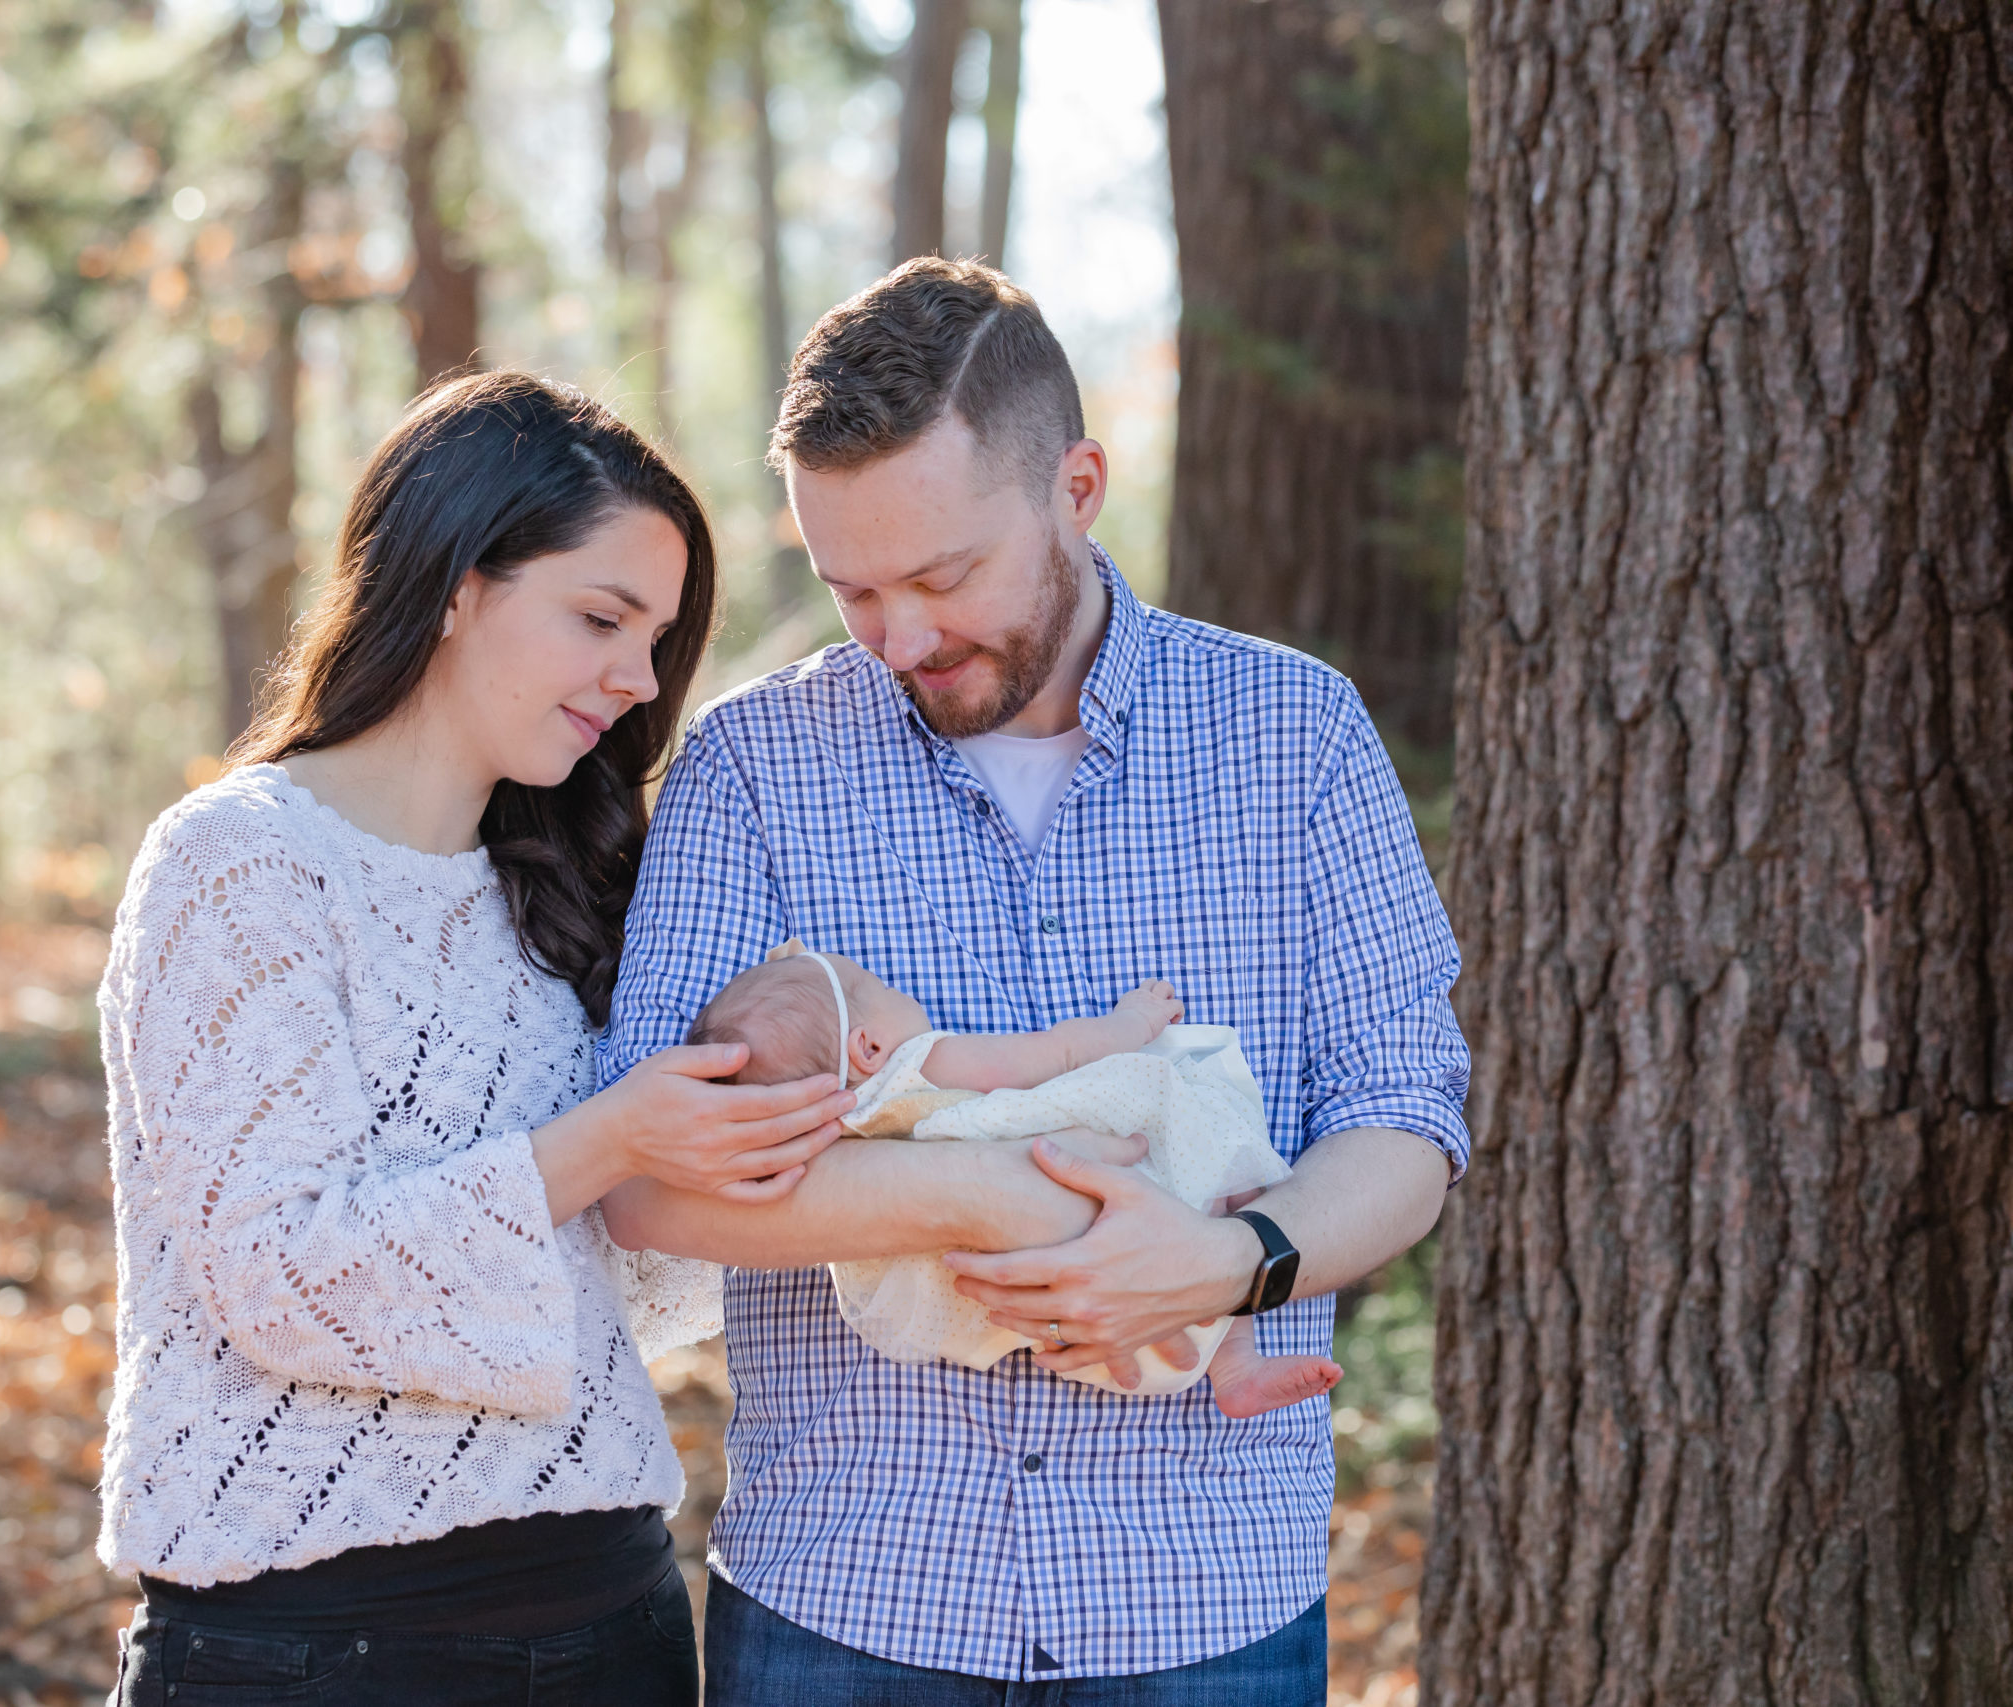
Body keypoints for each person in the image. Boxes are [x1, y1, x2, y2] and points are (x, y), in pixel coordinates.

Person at [599, 259, 1471, 1703]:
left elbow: (1406, 1119)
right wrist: (988, 1196)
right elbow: (651, 1180)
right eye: (854, 588)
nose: (903, 638)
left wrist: (1227, 1258)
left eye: (944, 575)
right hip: (848, 1605)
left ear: (1078, 485)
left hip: (1205, 1606)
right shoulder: (756, 767)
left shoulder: (1296, 734)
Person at [95, 372, 881, 1707]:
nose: (637, 679)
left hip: (607, 1625)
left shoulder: (574, 878)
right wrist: (608, 1136)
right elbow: (282, 1273)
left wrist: (751, 1131)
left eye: (658, 638)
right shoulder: (237, 864)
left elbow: (626, 1290)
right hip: (301, 1648)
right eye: (601, 618)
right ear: (457, 582)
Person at [686, 948, 1342, 1416]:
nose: (894, 986)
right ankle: (1237, 1360)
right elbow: (1057, 1052)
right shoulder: (926, 1061)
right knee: (1217, 1164)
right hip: (1083, 1167)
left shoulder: (846, 1129)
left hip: (962, 1276)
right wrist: (1134, 1020)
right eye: (875, 983)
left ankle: (1230, 1371)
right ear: (869, 1048)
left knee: (1052, 1309)